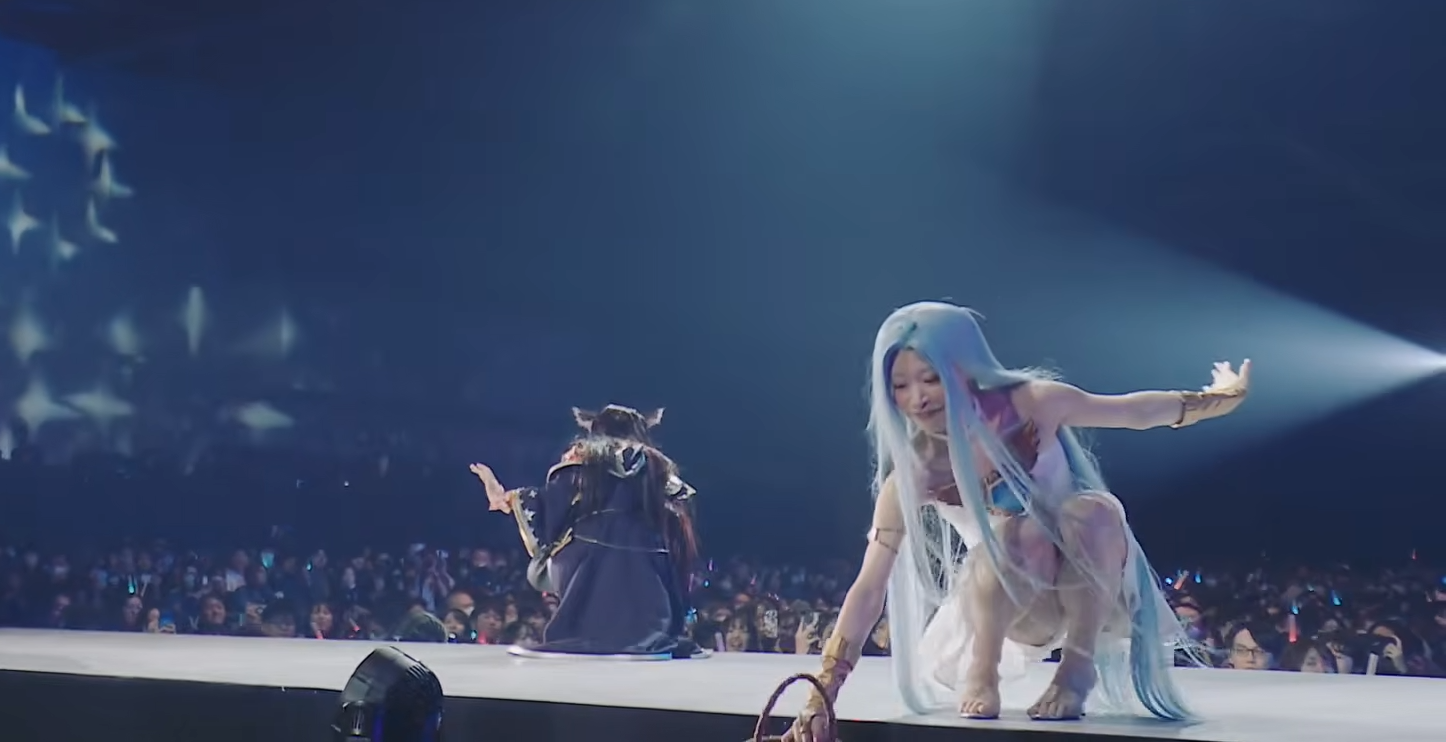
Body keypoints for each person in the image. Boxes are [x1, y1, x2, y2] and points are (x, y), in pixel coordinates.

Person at [787, 303, 1248, 741]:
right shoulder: (914, 474)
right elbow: (869, 587)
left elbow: (1133, 412)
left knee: (1094, 511)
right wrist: (821, 692)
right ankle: (982, 669)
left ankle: (1077, 668)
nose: (918, 398)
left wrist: (1222, 398)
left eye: (930, 378)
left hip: (1090, 581)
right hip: (1010, 604)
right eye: (901, 385)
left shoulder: (1032, 403)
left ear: (964, 368)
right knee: (1016, 534)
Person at [468, 404, 701, 658]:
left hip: (589, 553)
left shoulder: (584, 457)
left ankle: (584, 630)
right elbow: (681, 510)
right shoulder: (658, 466)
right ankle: (651, 634)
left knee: (556, 559)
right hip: (650, 556)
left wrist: (509, 498)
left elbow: (553, 502)